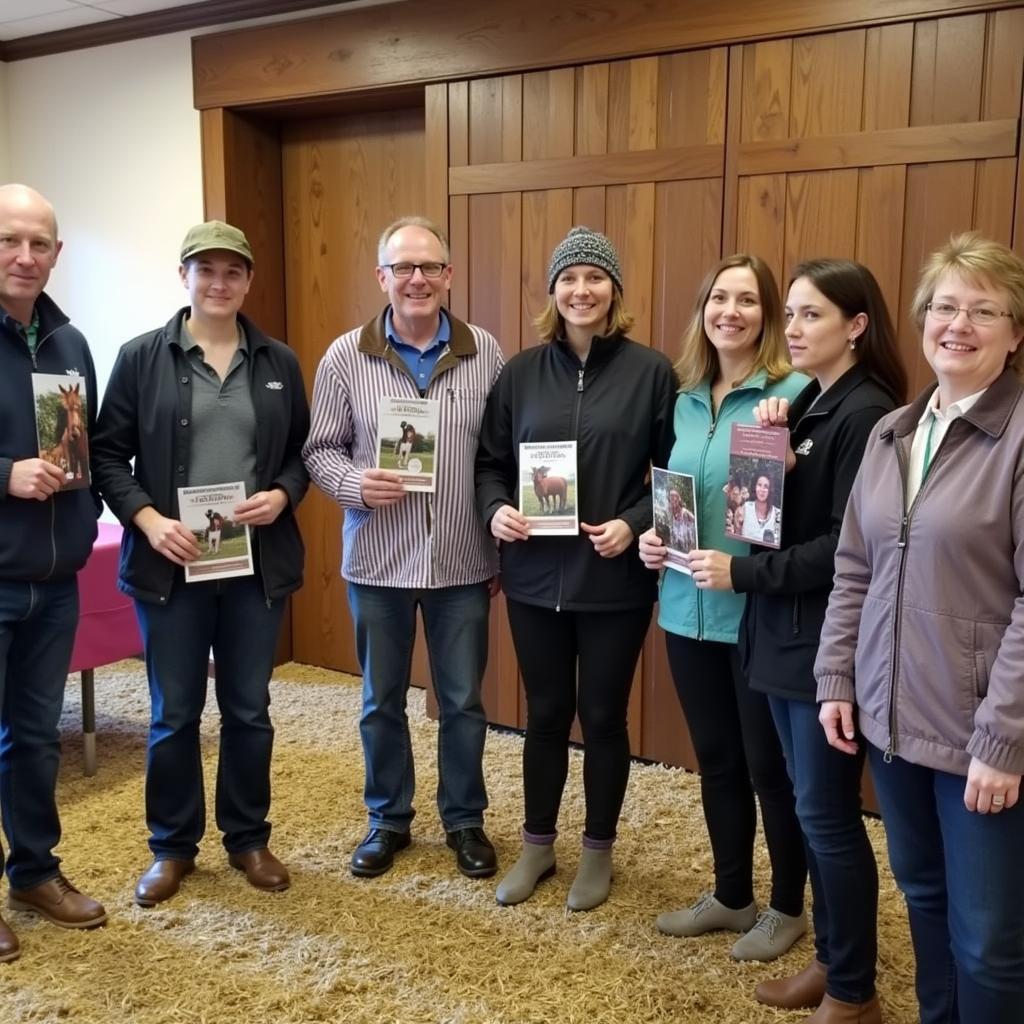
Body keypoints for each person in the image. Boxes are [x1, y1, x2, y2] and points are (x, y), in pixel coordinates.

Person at [816, 234, 1024, 1024]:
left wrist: (1003, 740)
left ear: (1015, 332)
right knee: (926, 902)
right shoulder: (893, 432)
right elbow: (854, 570)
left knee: (989, 942)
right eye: (943, 306)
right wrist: (839, 677)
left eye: (983, 310)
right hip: (894, 723)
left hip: (982, 740)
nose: (958, 324)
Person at [701, 260, 906, 1021]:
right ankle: (831, 958)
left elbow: (848, 552)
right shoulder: (813, 406)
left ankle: (854, 994)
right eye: (791, 314)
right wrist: (775, 466)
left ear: (856, 326)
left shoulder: (868, 413)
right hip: (784, 642)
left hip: (825, 647)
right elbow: (779, 522)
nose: (795, 328)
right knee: (811, 810)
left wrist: (745, 577)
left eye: (812, 315)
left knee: (827, 817)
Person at [92, 221, 309, 906]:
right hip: (170, 568)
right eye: (205, 270)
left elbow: (304, 454)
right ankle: (172, 848)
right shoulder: (140, 358)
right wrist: (150, 520)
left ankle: (247, 837)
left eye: (233, 272)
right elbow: (104, 455)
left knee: (249, 708)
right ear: (183, 275)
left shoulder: (277, 363)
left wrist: (281, 494)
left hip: (254, 568)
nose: (219, 283)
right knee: (173, 712)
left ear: (248, 281)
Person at [476, 226, 676, 911]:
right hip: (533, 576)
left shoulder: (652, 372)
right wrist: (497, 508)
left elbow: (677, 477)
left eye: (595, 278)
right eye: (569, 278)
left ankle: (598, 851)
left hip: (614, 579)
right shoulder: (521, 372)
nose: (581, 290)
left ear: (613, 291)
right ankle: (537, 846)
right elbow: (490, 464)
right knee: (546, 714)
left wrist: (636, 521)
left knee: (602, 715)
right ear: (553, 291)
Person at [303, 216, 503, 880]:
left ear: (448, 276)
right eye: (403, 268)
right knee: (379, 699)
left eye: (431, 267)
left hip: (462, 563)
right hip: (378, 562)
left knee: (463, 701)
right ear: (381, 277)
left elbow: (498, 456)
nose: (417, 279)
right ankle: (388, 818)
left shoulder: (488, 353)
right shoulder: (343, 356)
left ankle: (464, 819)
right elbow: (319, 452)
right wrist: (356, 484)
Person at [638, 254, 808, 961]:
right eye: (718, 298)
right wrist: (654, 537)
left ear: (767, 314)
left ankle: (788, 908)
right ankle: (733, 896)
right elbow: (682, 496)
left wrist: (792, 456)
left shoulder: (792, 394)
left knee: (770, 769)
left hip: (754, 616)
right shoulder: (682, 396)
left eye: (745, 299)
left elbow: (807, 514)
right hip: (684, 607)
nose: (729, 311)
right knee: (716, 761)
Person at [0, 183, 107, 960]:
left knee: (36, 740)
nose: (25, 256)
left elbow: (85, 449)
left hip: (56, 580)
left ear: (57, 254)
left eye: (40, 244)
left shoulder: (69, 342)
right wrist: (4, 472)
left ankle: (34, 871)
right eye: (10, 240)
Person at [668, 488, 696, 553]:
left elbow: (695, 525)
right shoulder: (672, 517)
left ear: (679, 499)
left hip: (691, 552)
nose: (674, 499)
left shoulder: (685, 512)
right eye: (671, 496)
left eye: (676, 496)